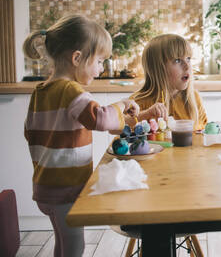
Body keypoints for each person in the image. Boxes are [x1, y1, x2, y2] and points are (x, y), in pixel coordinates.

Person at [23, 15, 140, 257]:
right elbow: (100, 118)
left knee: (63, 243)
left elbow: (28, 131)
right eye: (99, 61)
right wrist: (124, 103)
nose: (100, 69)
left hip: (44, 187)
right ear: (77, 58)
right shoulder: (71, 90)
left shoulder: (41, 91)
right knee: (75, 247)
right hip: (65, 189)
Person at [127, 34, 208, 130]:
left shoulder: (193, 98)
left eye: (188, 59)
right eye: (177, 61)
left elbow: (204, 132)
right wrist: (146, 114)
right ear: (158, 69)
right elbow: (119, 126)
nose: (187, 66)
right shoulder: (139, 101)